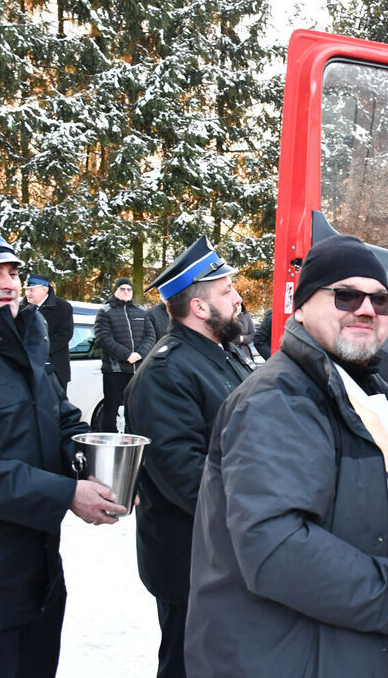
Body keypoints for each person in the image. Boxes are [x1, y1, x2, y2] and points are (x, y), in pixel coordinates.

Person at [186, 234, 388, 677]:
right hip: (302, 656)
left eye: (381, 301)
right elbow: (276, 550)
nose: (366, 309)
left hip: (373, 645)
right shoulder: (276, 401)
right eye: (346, 295)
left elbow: (371, 518)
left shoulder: (376, 396)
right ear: (301, 306)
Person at [0, 220, 128, 678]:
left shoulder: (27, 338)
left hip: (37, 572)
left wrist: (98, 463)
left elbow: (60, 419)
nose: (9, 283)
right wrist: (66, 495)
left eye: (13, 272)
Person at [123, 236, 253, 678]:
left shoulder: (222, 353)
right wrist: (262, 508)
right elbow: (185, 476)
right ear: (199, 308)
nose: (237, 298)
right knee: (189, 664)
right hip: (194, 561)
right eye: (226, 291)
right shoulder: (166, 371)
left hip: (227, 549)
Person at [93, 277, 155, 431]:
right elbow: (103, 338)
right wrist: (127, 355)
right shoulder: (105, 311)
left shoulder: (141, 311)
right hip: (114, 370)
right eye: (122, 289)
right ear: (116, 290)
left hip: (138, 369)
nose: (126, 292)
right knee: (110, 412)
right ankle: (110, 445)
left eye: (129, 289)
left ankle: (135, 444)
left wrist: (140, 354)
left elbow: (150, 336)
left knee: (135, 410)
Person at [24, 273, 74, 391]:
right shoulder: (20, 307)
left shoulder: (62, 307)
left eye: (32, 290)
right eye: (26, 290)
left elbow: (64, 335)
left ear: (44, 290)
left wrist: (39, 350)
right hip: (27, 369)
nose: (27, 294)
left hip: (54, 368)